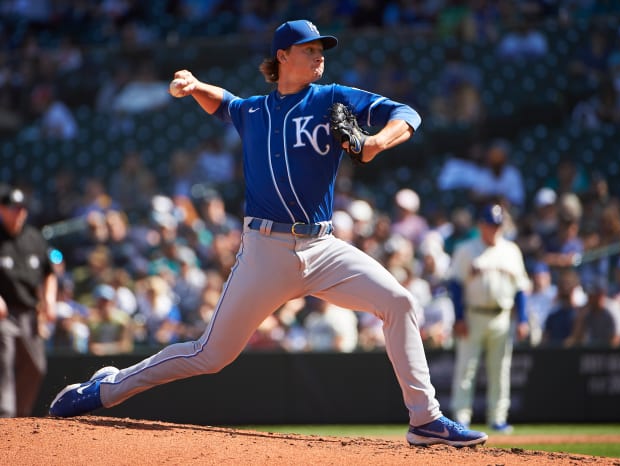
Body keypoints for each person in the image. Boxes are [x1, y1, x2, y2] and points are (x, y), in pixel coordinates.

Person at [48, 19, 487, 448]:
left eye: (321, 50)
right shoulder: (253, 110)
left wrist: (375, 142)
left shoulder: (333, 97)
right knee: (209, 356)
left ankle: (425, 419)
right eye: (310, 49)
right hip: (266, 252)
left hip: (323, 247)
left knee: (400, 302)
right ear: (282, 56)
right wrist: (195, 84)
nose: (319, 56)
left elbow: (406, 113)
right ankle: (106, 388)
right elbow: (224, 102)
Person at [447, 204, 530, 434]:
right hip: (473, 315)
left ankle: (498, 418)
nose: (493, 229)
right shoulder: (466, 249)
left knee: (500, 370)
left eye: (497, 225)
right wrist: (459, 317)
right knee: (466, 368)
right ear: (480, 225)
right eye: (489, 224)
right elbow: (455, 285)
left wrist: (522, 319)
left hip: (502, 316)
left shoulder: (511, 250)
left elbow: (521, 289)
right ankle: (461, 419)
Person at [0, 184, 57, 417]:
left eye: (22, 208)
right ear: (1, 209)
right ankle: (4, 416)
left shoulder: (34, 237)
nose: (19, 213)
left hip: (29, 312)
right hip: (3, 313)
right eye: (13, 208)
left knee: (36, 367)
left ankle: (20, 420)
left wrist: (49, 301)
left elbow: (48, 273)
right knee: (3, 360)